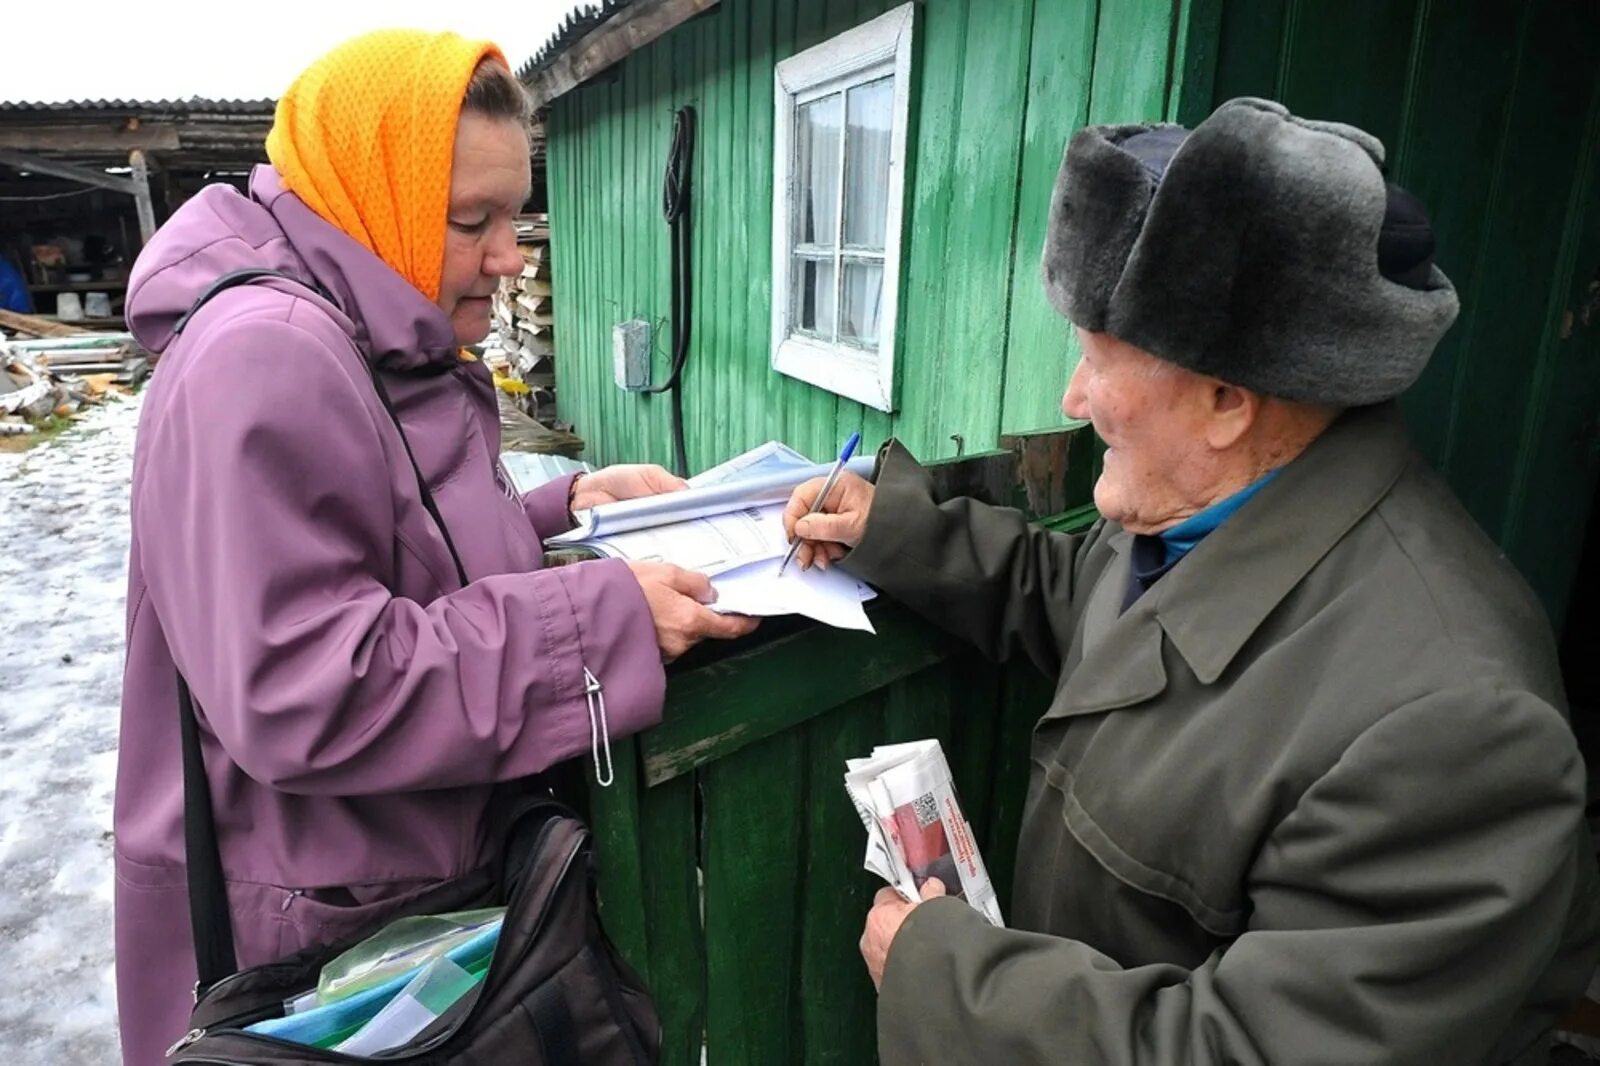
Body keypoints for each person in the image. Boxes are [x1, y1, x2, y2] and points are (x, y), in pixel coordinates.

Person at [784, 97, 1600, 1063]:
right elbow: (1083, 603)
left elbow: (1255, 1050)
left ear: (1225, 401)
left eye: (1095, 359)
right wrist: (897, 534)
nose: (1072, 398)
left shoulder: (1453, 725)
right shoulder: (1209, 510)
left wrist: (949, 980)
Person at [115, 30, 754, 1064]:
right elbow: (307, 683)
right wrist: (596, 620)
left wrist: (569, 505)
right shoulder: (266, 357)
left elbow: (378, 538)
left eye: (513, 213)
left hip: (385, 901)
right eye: (475, 220)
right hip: (319, 951)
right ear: (375, 197)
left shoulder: (366, 334)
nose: (509, 255)